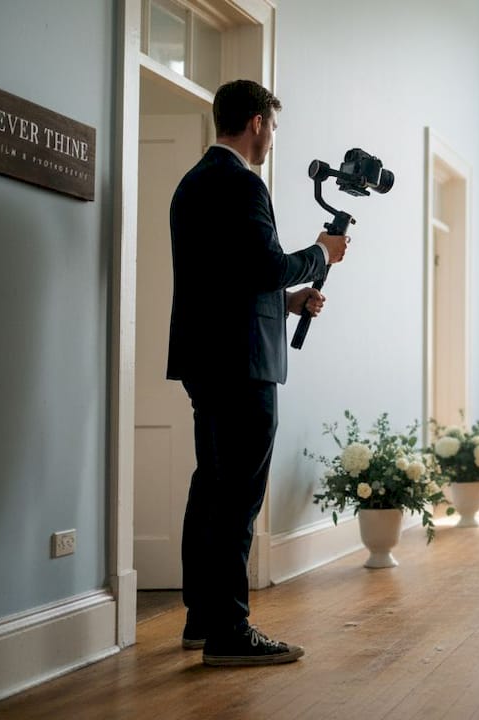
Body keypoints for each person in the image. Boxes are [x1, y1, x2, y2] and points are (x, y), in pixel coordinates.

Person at [167, 79, 349, 667]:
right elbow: (267, 263)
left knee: (211, 488)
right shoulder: (244, 185)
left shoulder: (191, 185)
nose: (272, 138)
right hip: (243, 364)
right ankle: (230, 633)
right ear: (255, 124)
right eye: (272, 126)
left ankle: (201, 618)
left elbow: (232, 276)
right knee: (239, 497)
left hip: (204, 358)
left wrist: (290, 302)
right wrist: (322, 253)